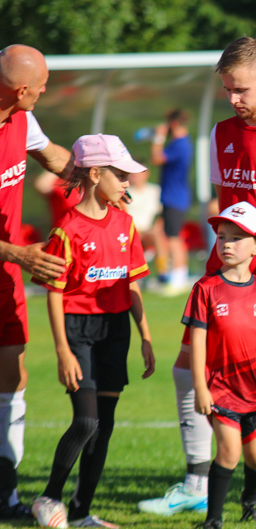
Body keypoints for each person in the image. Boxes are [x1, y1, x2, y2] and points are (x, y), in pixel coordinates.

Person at [138, 37, 256, 519]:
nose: (234, 99)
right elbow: (224, 209)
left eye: (241, 90)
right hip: (220, 282)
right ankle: (196, 482)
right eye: (227, 90)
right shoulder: (222, 133)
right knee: (189, 371)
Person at [30, 134, 155, 528]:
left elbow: (132, 284)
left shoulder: (125, 223)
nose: (127, 183)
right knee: (85, 421)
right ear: (95, 173)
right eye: (120, 175)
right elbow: (53, 294)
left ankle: (83, 513)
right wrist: (63, 351)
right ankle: (49, 498)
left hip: (116, 329)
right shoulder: (67, 229)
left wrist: (146, 337)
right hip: (78, 331)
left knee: (105, 425)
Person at [0, 44, 72, 520]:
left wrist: (101, 176)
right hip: (11, 259)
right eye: (42, 84)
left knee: (14, 374)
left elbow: (54, 159)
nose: (47, 89)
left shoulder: (22, 121)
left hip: (4, 275)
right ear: (22, 89)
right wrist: (20, 253)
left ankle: (5, 495)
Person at [188, 202, 256, 529]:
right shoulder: (205, 289)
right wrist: (200, 387)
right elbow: (197, 340)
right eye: (222, 236)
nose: (226, 243)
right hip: (221, 389)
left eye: (236, 237)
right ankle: (213, 520)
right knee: (228, 451)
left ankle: (249, 502)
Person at [150, 109, 193, 294]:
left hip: (174, 198)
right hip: (172, 197)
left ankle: (179, 278)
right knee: (160, 233)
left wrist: (158, 138)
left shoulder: (180, 144)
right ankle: (165, 275)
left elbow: (156, 158)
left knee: (174, 238)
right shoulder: (181, 143)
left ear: (173, 124)